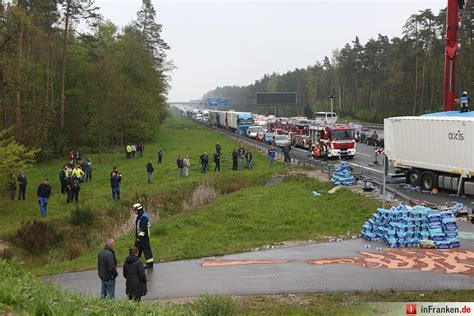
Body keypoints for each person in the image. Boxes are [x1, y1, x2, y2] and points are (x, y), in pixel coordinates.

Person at [132, 203, 154, 269]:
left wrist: (139, 238)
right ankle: (135, 263)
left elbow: (143, 229)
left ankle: (149, 264)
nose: (134, 211)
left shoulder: (143, 217)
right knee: (137, 249)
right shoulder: (140, 215)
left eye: (135, 210)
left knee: (146, 250)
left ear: (138, 209)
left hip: (144, 237)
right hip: (140, 237)